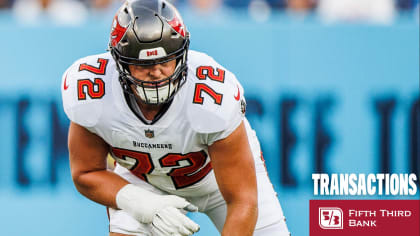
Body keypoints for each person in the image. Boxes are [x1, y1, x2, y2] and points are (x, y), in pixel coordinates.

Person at [61, 0, 290, 235]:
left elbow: (242, 200)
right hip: (144, 182)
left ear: (182, 55)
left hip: (214, 180)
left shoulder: (211, 95)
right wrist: (137, 200)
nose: (156, 72)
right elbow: (85, 173)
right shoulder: (93, 91)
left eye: (165, 61)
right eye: (143, 64)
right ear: (120, 63)